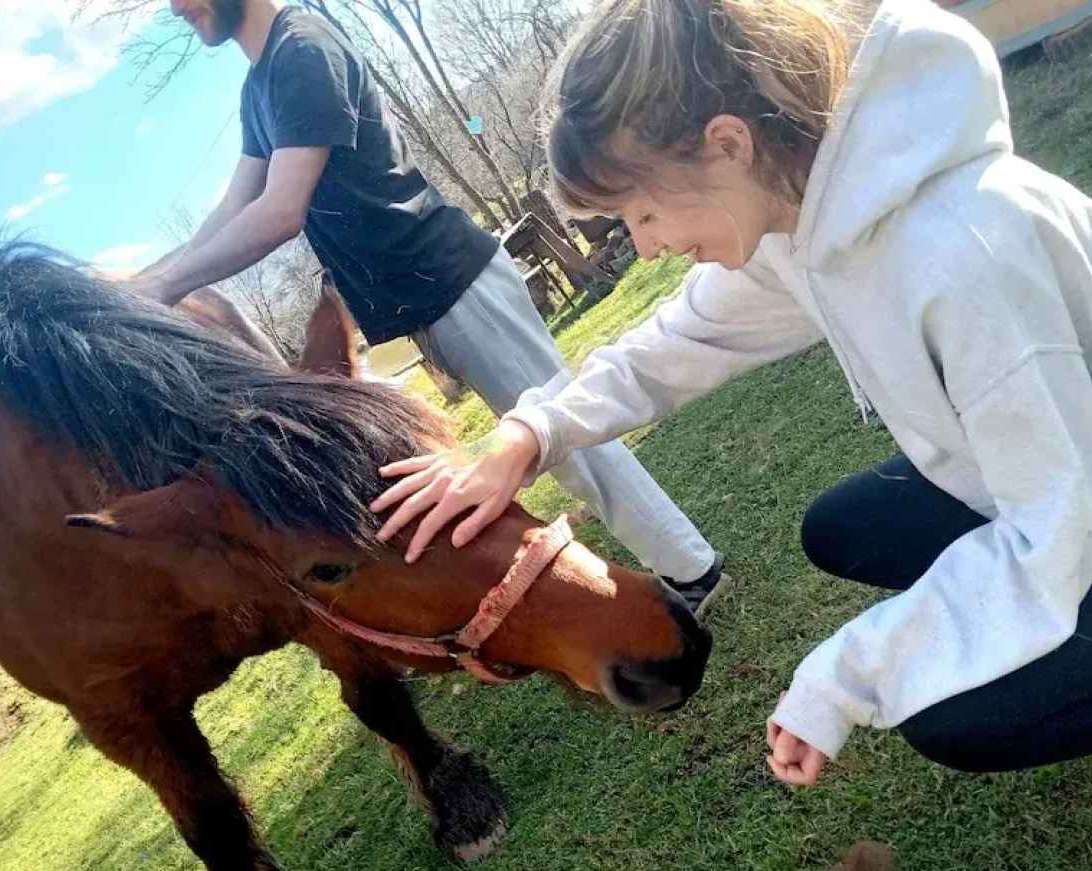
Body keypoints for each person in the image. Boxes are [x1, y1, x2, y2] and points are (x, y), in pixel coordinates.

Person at [370, 0, 1092, 845]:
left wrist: (848, 675)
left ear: (727, 144)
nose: (645, 244)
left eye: (643, 213)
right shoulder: (807, 217)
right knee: (844, 529)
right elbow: (676, 343)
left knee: (960, 717)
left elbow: (1054, 532)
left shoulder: (960, 255)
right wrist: (528, 436)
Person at [128, 0, 731, 614]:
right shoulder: (259, 86)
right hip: (424, 300)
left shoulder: (302, 50)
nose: (177, 7)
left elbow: (280, 210)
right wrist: (144, 285)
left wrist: (168, 286)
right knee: (558, 442)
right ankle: (682, 567)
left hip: (455, 278)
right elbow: (235, 207)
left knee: (569, 441)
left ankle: (694, 571)